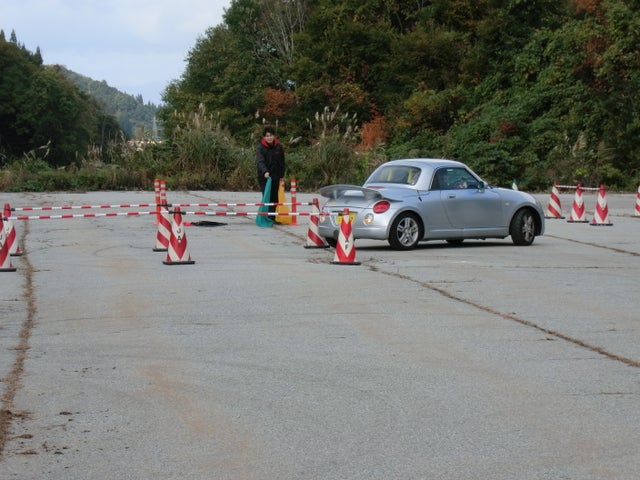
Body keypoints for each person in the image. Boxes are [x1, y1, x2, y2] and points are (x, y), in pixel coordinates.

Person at [256, 126, 285, 219]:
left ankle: (272, 218)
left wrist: (282, 175)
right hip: (265, 178)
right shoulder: (260, 148)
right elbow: (260, 161)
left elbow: (282, 162)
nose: (269, 138)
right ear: (264, 137)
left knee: (274, 198)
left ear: (274, 136)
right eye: (267, 136)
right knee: (267, 197)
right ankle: (265, 217)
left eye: (271, 135)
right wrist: (265, 172)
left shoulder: (278, 147)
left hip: (276, 177)